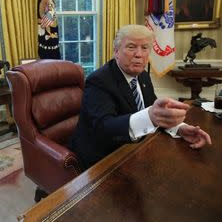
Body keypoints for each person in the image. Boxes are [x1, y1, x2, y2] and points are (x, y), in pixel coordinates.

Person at [70, 24, 212, 169]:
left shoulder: (142, 75)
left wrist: (179, 128)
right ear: (116, 52)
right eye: (131, 47)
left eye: (144, 48)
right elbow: (104, 128)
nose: (139, 54)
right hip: (101, 159)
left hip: (133, 150)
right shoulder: (99, 81)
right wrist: (150, 116)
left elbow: (154, 111)